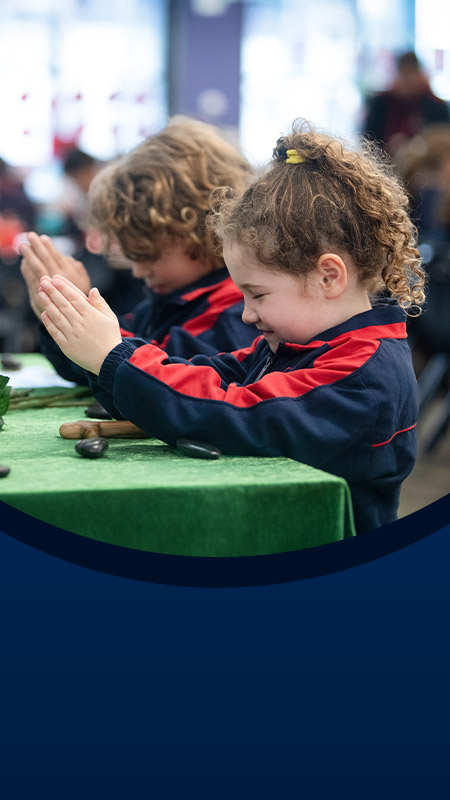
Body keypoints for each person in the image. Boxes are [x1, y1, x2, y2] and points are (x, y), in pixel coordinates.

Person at [36, 121, 426, 535]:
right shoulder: (298, 345)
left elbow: (235, 413)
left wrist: (114, 358)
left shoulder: (360, 376)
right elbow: (209, 374)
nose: (246, 315)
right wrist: (107, 354)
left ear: (328, 277)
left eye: (257, 295)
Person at [19, 116, 258, 383]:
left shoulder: (239, 314)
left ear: (204, 229)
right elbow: (89, 371)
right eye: (133, 255)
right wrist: (64, 317)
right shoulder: (162, 303)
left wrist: (84, 316)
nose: (139, 270)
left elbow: (165, 378)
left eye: (149, 254)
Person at [362, 51, 450, 157]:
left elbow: (444, 145)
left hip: (425, 168)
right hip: (385, 164)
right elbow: (367, 142)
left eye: (411, 73)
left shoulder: (436, 106)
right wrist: (388, 147)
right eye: (405, 73)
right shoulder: (381, 103)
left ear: (419, 75)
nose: (408, 80)